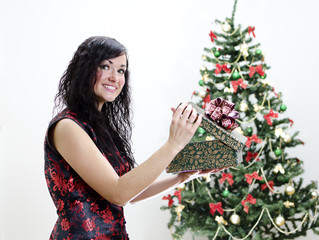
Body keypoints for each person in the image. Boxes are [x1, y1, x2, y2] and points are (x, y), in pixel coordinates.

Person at [44, 36, 223, 240]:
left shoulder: (102, 129)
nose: (114, 77)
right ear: (84, 70)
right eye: (105, 66)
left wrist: (183, 177)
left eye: (121, 70)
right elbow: (118, 193)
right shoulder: (67, 126)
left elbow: (132, 193)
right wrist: (173, 144)